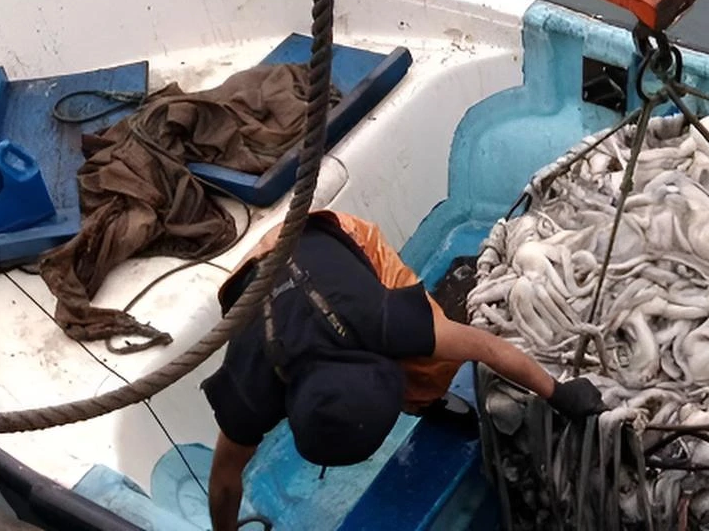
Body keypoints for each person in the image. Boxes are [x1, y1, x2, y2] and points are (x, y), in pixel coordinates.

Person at [201, 209, 604, 531]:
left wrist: (558, 393)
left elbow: (487, 347)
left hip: (324, 233)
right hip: (252, 277)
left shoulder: (385, 321)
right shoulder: (251, 386)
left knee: (432, 361)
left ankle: (426, 400)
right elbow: (223, 481)